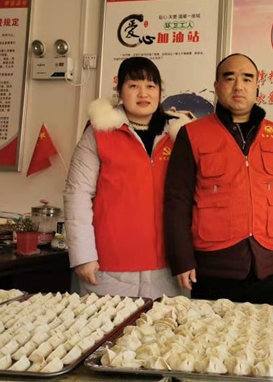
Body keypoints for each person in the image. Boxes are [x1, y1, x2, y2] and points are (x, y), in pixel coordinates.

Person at [164, 53, 273, 306]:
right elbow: (177, 199)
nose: (239, 86)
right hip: (212, 266)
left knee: (265, 330)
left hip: (265, 263)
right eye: (230, 78)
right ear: (216, 87)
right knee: (210, 330)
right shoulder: (192, 133)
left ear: (257, 86)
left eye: (247, 79)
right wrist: (182, 259)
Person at [64, 57, 192, 299]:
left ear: (160, 92)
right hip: (109, 268)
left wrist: (188, 258)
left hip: (169, 268)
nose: (143, 93)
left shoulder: (179, 135)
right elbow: (77, 193)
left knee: (165, 324)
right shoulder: (99, 132)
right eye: (134, 85)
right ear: (120, 91)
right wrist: (83, 256)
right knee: (108, 324)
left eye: (151, 86)